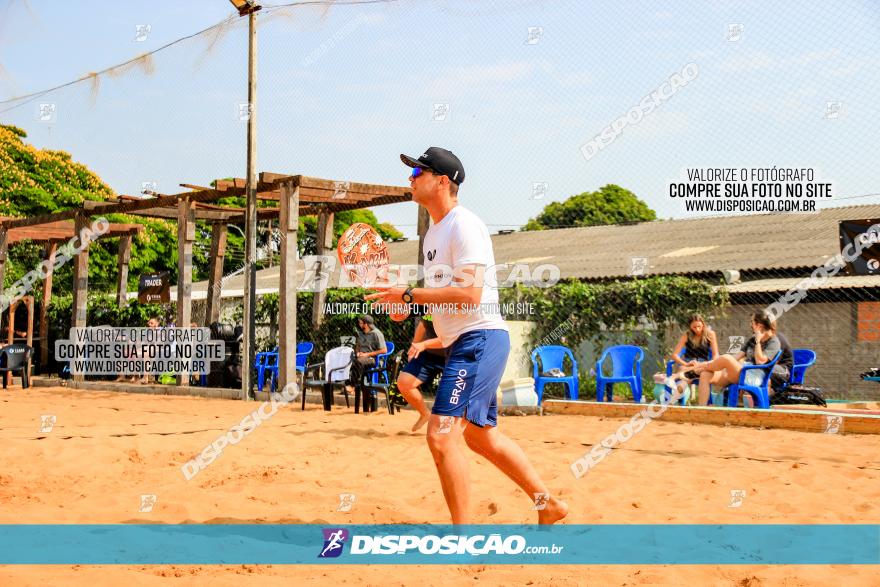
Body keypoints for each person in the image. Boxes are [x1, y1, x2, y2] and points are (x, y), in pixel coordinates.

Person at [365, 147, 567, 524]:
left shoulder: (464, 224)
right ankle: (549, 505)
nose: (410, 179)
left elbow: (470, 293)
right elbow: (444, 295)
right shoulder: (431, 236)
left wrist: (409, 293)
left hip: (480, 338)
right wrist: (406, 304)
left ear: (442, 181)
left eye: (417, 172)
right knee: (480, 438)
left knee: (441, 436)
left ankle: (462, 538)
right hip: (464, 341)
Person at [693, 311, 786, 406]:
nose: (751, 325)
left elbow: (760, 361)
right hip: (740, 373)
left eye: (752, 322)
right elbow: (735, 357)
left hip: (755, 377)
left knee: (726, 358)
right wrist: (717, 364)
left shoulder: (774, 342)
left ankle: (701, 367)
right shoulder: (752, 339)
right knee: (706, 374)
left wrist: (758, 341)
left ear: (759, 326)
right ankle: (703, 409)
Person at [397, 313, 444, 432]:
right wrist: (414, 346)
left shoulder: (454, 304)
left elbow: (452, 336)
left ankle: (450, 428)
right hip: (428, 353)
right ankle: (424, 414)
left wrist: (423, 344)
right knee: (404, 383)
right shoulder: (429, 304)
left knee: (448, 394)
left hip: (453, 354)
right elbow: (423, 324)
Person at [667, 314, 719, 403]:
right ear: (690, 326)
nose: (697, 329)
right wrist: (686, 364)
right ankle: (677, 398)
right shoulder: (687, 335)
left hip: (703, 365)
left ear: (703, 324)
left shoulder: (710, 334)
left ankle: (674, 396)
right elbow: (674, 355)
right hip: (689, 363)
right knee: (686, 372)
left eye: (699, 326)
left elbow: (715, 355)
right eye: (694, 327)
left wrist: (711, 363)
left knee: (685, 374)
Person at [346, 315, 387, 404]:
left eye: (361, 323)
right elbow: (358, 346)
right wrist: (358, 353)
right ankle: (350, 385)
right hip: (362, 358)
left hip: (373, 359)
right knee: (348, 360)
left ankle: (352, 385)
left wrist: (367, 354)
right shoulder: (361, 333)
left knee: (358, 362)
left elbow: (384, 350)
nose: (359, 324)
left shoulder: (377, 334)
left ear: (366, 324)